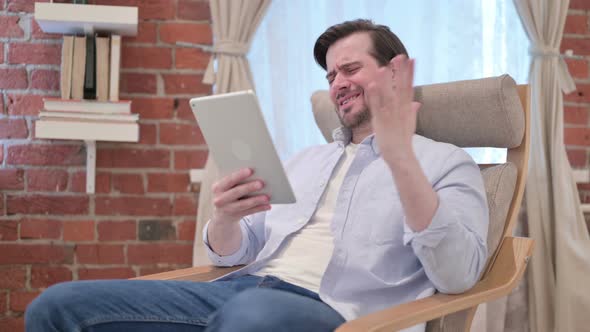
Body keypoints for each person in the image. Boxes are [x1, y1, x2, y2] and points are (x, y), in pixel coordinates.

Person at [25, 19, 488, 332]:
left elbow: (457, 275)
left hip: (338, 313)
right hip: (241, 291)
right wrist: (224, 218)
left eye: (351, 69)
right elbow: (238, 252)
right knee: (56, 307)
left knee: (251, 315)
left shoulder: (445, 162)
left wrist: (399, 157)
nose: (337, 84)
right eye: (330, 76)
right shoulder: (304, 160)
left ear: (394, 73)